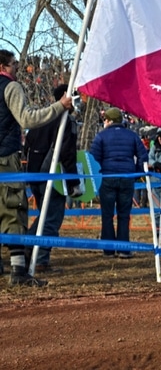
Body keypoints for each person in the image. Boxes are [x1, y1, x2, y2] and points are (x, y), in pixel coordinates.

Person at [0, 49, 72, 286]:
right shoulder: (11, 87)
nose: (17, 68)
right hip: (5, 156)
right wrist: (60, 106)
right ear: (3, 66)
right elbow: (27, 119)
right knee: (13, 209)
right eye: (13, 64)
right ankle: (18, 271)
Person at [24, 84, 82, 273]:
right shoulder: (65, 120)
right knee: (51, 219)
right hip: (52, 176)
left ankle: (26, 249)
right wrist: (73, 182)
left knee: (43, 216)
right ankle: (39, 258)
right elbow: (67, 153)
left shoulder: (42, 116)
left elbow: (28, 146)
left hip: (35, 175)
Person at [90, 107, 149, 258]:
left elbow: (93, 160)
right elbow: (143, 156)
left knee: (107, 214)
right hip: (127, 177)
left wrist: (98, 177)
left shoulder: (101, 136)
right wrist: (136, 173)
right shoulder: (132, 136)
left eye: (105, 120)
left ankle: (108, 250)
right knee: (124, 214)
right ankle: (123, 249)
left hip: (107, 178)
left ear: (109, 120)